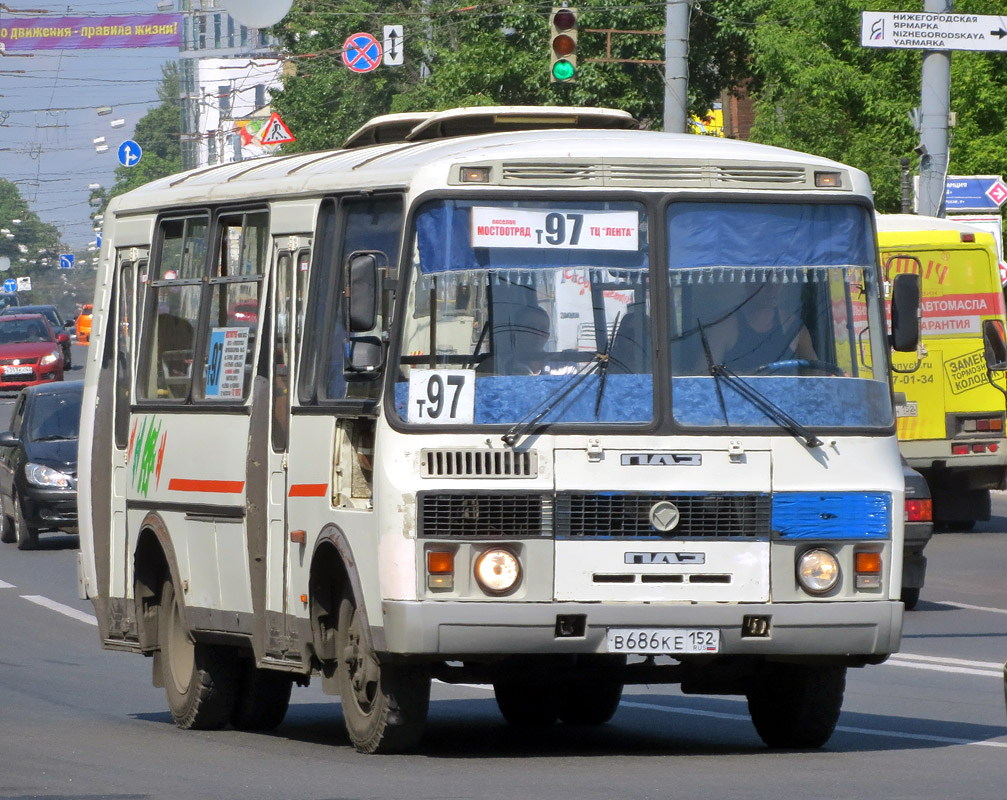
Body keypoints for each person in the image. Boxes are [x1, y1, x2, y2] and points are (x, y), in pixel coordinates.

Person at [477, 302, 551, 375]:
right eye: (531, 328)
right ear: (517, 332)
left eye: (543, 329)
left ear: (548, 335)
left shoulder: (559, 368)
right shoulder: (493, 367)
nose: (537, 334)